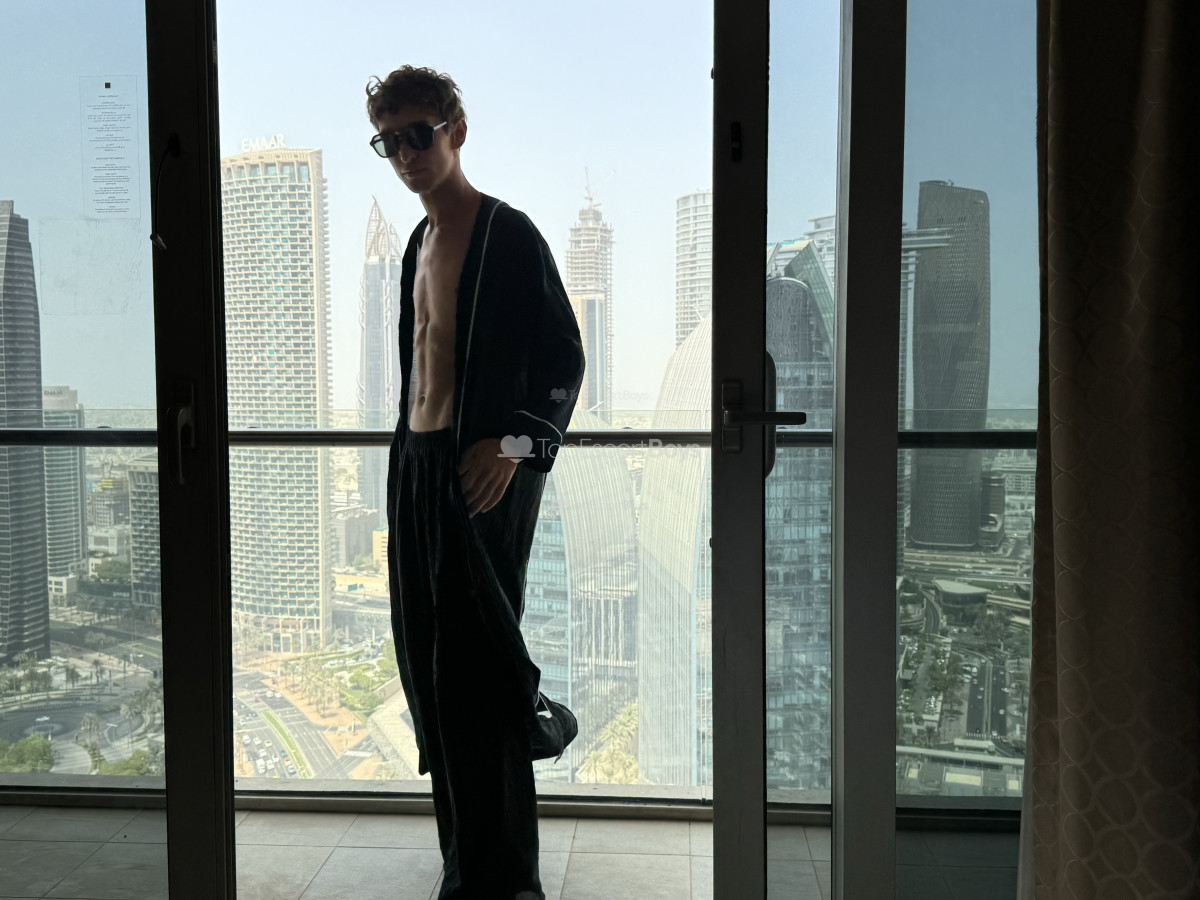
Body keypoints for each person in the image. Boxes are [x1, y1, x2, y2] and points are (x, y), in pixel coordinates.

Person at [367, 65, 585, 900]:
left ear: (456, 130)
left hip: (484, 473)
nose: (406, 153)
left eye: (418, 134)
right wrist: (406, 469)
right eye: (389, 141)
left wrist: (513, 448)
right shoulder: (416, 246)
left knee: (479, 672)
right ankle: (464, 862)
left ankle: (506, 881)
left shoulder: (507, 234)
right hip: (417, 468)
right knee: (429, 664)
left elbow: (564, 360)